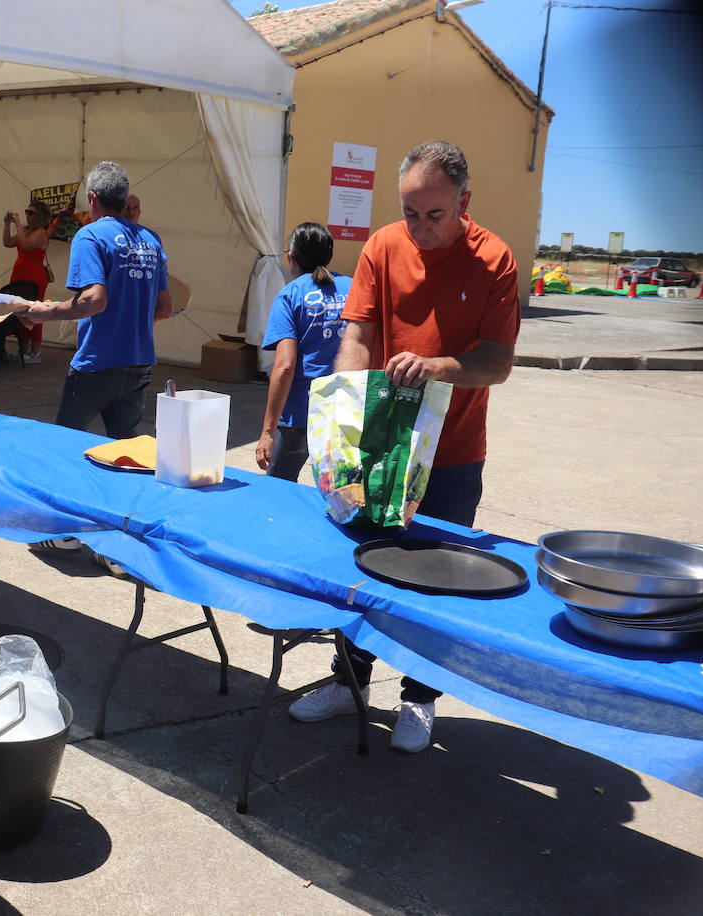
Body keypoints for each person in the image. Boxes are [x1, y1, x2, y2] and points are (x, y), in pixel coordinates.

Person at [287, 140, 519, 754]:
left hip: (454, 453)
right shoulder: (383, 246)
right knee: (365, 565)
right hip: (381, 442)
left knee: (435, 577)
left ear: (464, 203)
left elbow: (497, 362)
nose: (418, 228)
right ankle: (349, 682)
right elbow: (357, 335)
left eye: (433, 215)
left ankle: (419, 698)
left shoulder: (494, 259)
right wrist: (346, 417)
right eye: (410, 213)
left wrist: (441, 366)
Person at [21, 162, 172, 570]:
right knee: (126, 457)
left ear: (92, 199)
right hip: (138, 363)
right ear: (125, 198)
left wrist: (43, 313)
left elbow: (94, 300)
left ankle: (65, 536)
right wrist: (133, 320)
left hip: (96, 363)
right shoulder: (151, 241)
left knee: (65, 449)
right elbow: (165, 308)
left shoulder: (91, 235)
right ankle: (121, 549)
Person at [254, 223, 351, 482]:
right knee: (342, 493)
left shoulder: (289, 296)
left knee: (278, 488)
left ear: (291, 257)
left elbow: (285, 365)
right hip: (344, 409)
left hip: (299, 411)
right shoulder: (354, 289)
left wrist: (268, 431)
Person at [2, 200, 53, 363]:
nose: (27, 216)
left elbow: (27, 245)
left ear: (40, 216)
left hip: (34, 275)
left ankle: (35, 351)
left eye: (30, 213)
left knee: (35, 311)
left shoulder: (41, 233)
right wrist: (6, 225)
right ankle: (23, 349)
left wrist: (17, 224)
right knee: (21, 311)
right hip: (21, 272)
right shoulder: (24, 230)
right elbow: (8, 242)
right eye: (26, 212)